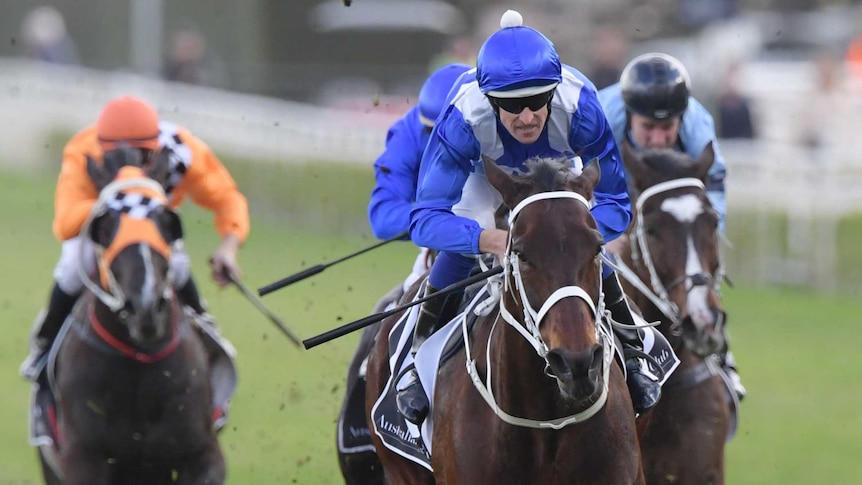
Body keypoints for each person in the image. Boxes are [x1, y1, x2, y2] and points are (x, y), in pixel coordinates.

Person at [396, 10, 661, 425]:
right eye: (511, 106)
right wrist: (488, 240)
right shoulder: (464, 120)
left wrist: (579, 236)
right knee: (466, 244)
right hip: (483, 175)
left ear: (553, 92)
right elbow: (425, 219)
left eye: (538, 101)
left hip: (557, 169)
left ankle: (632, 349)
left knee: (580, 244)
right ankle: (414, 358)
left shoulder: (581, 108)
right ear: (489, 99)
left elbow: (616, 201)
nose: (527, 117)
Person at [20, 95, 249, 381]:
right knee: (71, 267)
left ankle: (206, 331)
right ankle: (45, 343)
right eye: (116, 155)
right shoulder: (83, 150)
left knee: (177, 264)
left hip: (152, 227)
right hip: (101, 228)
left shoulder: (182, 149)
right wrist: (118, 196)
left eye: (141, 154)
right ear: (102, 146)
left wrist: (229, 247)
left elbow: (228, 198)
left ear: (156, 148)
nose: (128, 162)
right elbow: (66, 224)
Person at [597, 53, 746, 399]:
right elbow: (582, 183)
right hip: (613, 187)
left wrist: (702, 236)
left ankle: (722, 355)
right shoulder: (602, 118)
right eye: (648, 127)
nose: (659, 139)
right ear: (628, 115)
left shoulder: (697, 123)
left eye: (667, 128)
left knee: (695, 265)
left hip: (673, 202)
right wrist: (607, 233)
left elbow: (714, 192)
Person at [368, 63, 472, 292]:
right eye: (432, 133)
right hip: (445, 247)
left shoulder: (504, 122)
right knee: (394, 312)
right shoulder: (407, 134)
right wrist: (438, 221)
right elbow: (383, 216)